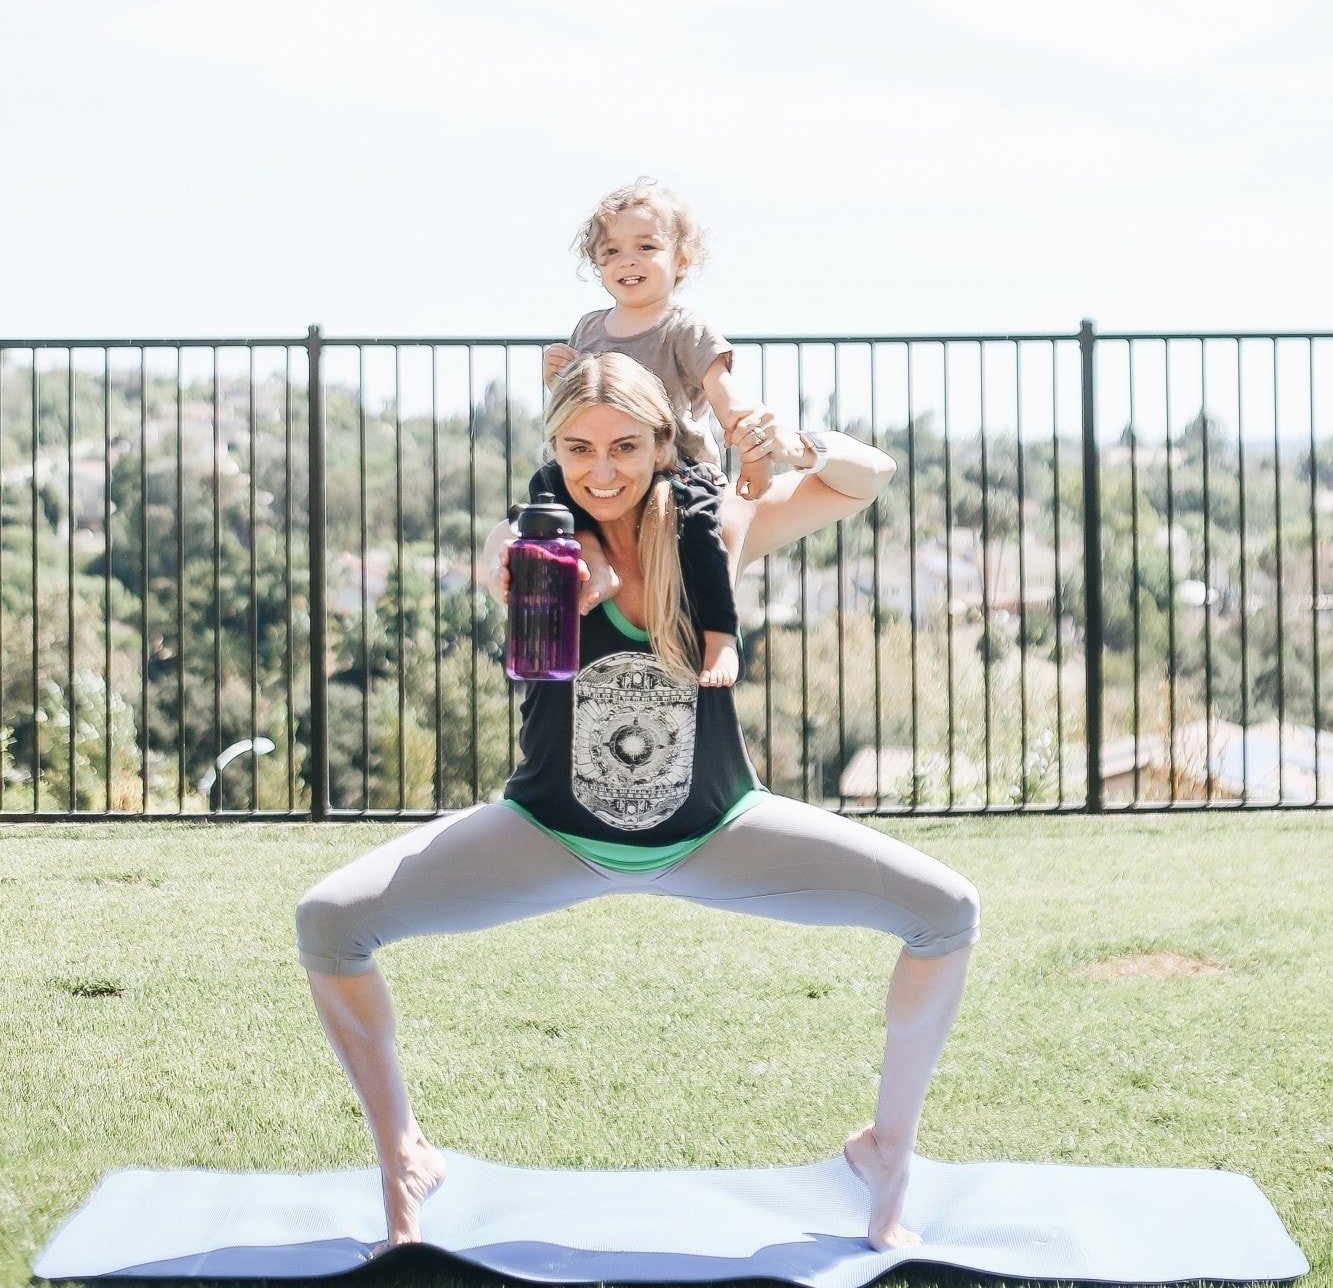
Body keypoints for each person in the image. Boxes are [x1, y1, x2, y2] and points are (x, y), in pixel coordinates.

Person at [295, 354, 980, 1255]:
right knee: (330, 921)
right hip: (550, 834)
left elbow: (866, 477)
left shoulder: (714, 526)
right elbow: (499, 569)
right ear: (553, 450)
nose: (602, 469)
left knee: (945, 911)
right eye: (578, 448)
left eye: (625, 445)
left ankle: (885, 1150)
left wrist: (792, 440)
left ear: (663, 444)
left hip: (716, 832)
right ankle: (404, 1155)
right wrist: (519, 574)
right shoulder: (537, 540)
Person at [542, 178, 771, 690]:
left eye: (646, 247)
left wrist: (741, 421)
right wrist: (557, 376)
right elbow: (582, 401)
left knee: (702, 533)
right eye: (612, 251)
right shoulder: (589, 329)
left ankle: (720, 636)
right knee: (546, 487)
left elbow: (719, 384)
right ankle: (596, 567)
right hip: (616, 462)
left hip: (677, 467)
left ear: (681, 259)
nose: (628, 261)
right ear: (597, 265)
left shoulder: (684, 327)